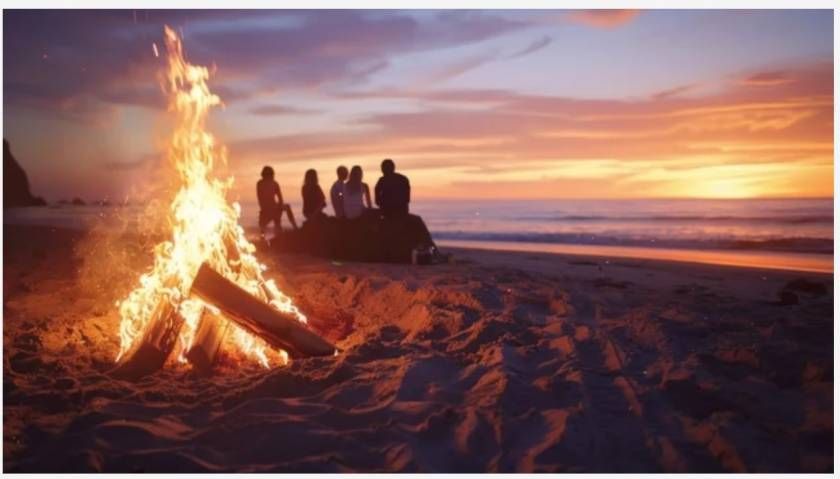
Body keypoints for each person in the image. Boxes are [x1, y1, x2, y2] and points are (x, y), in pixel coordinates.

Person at [257, 166, 297, 236]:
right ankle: (294, 227)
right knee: (284, 209)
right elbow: (280, 199)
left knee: (274, 221)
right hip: (269, 209)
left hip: (268, 209)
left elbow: (280, 199)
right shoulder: (272, 183)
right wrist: (279, 208)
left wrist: (279, 208)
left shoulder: (261, 183)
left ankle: (285, 230)